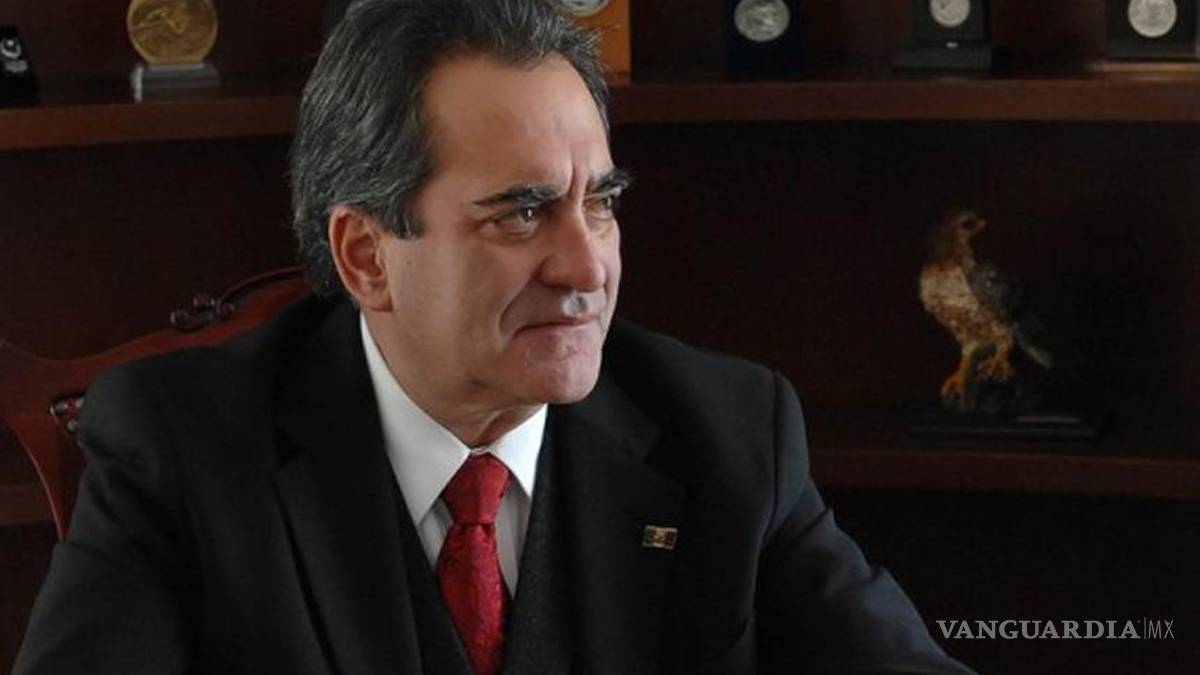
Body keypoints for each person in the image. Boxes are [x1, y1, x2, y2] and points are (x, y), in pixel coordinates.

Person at [15, 1, 975, 673]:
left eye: (600, 203)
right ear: (366, 257)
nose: (586, 267)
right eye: (520, 213)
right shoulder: (181, 451)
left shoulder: (727, 434)